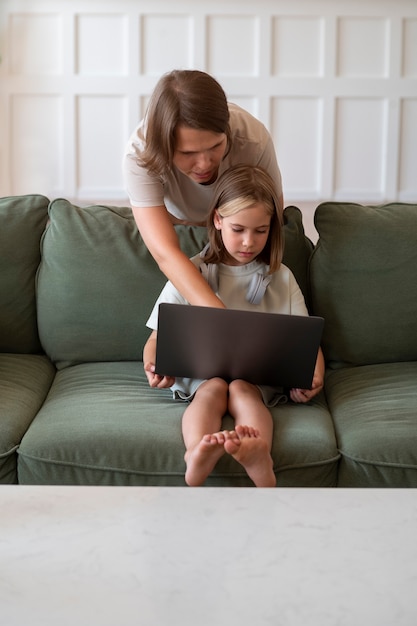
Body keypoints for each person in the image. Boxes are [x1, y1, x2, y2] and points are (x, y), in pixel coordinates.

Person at [143, 165, 325, 488]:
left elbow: (308, 342)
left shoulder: (280, 277)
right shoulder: (192, 272)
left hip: (256, 379)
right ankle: (196, 453)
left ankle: (259, 456)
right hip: (202, 377)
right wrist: (154, 364)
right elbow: (157, 336)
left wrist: (314, 375)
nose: (248, 242)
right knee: (211, 391)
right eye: (238, 229)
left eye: (260, 231)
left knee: (243, 392)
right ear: (217, 220)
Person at [123, 69, 283, 309]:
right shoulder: (139, 154)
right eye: (187, 153)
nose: (205, 164)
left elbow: (272, 217)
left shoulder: (254, 139)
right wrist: (216, 313)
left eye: (216, 145)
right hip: (178, 222)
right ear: (163, 145)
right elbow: (164, 251)